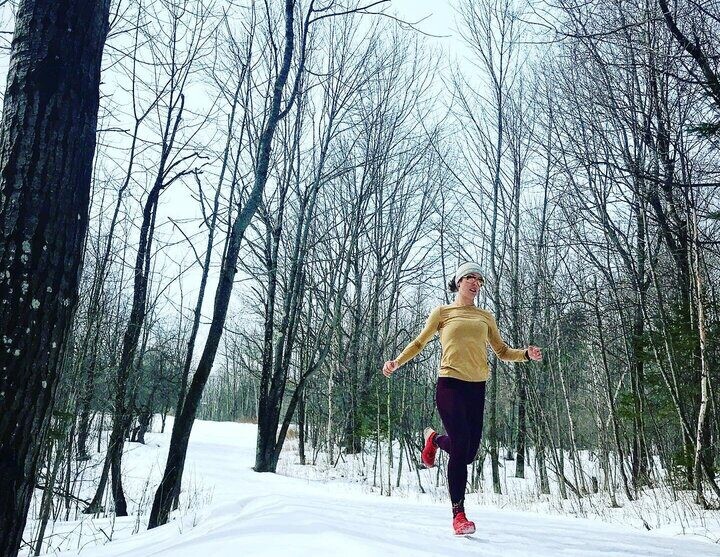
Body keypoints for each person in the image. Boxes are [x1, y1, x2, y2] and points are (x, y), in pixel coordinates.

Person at [382, 262, 542, 535]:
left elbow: (502, 351)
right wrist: (397, 361)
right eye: (470, 278)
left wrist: (525, 355)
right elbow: (419, 342)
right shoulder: (442, 312)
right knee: (460, 446)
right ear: (458, 282)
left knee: (467, 454)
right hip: (450, 384)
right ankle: (459, 515)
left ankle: (434, 439)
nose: (475, 283)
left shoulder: (485, 317)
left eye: (479, 280)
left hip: (476, 388)